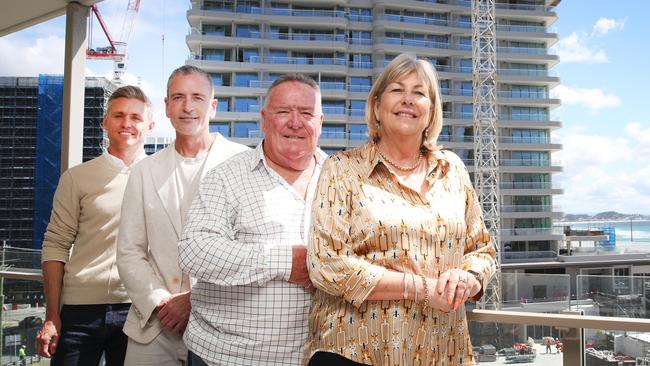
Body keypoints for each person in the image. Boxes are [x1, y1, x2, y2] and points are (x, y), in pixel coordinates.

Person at [305, 53, 497, 365]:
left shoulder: (453, 170)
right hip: (354, 352)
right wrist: (421, 289)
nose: (408, 99)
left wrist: (469, 279)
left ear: (431, 111)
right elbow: (326, 264)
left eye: (419, 92)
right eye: (397, 90)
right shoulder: (340, 169)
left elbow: (482, 249)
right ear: (377, 106)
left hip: (442, 351)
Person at [178, 74, 325, 365]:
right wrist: (286, 262)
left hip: (314, 356)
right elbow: (194, 251)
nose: (295, 122)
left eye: (306, 113)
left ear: (320, 121)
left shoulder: (340, 179)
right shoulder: (225, 177)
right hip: (227, 357)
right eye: (283, 111)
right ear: (264, 119)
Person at [116, 65, 248, 365]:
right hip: (154, 328)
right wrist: (162, 303)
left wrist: (193, 301)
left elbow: (250, 251)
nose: (187, 107)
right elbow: (129, 251)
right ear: (166, 107)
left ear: (212, 106)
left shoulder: (245, 163)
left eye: (197, 97)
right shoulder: (143, 172)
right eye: (178, 97)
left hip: (224, 327)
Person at [35, 85, 155, 365]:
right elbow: (55, 244)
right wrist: (52, 315)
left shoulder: (161, 177)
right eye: (118, 115)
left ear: (150, 125)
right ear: (105, 122)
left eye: (136, 117)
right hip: (79, 312)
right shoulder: (77, 178)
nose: (127, 123)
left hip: (139, 310)